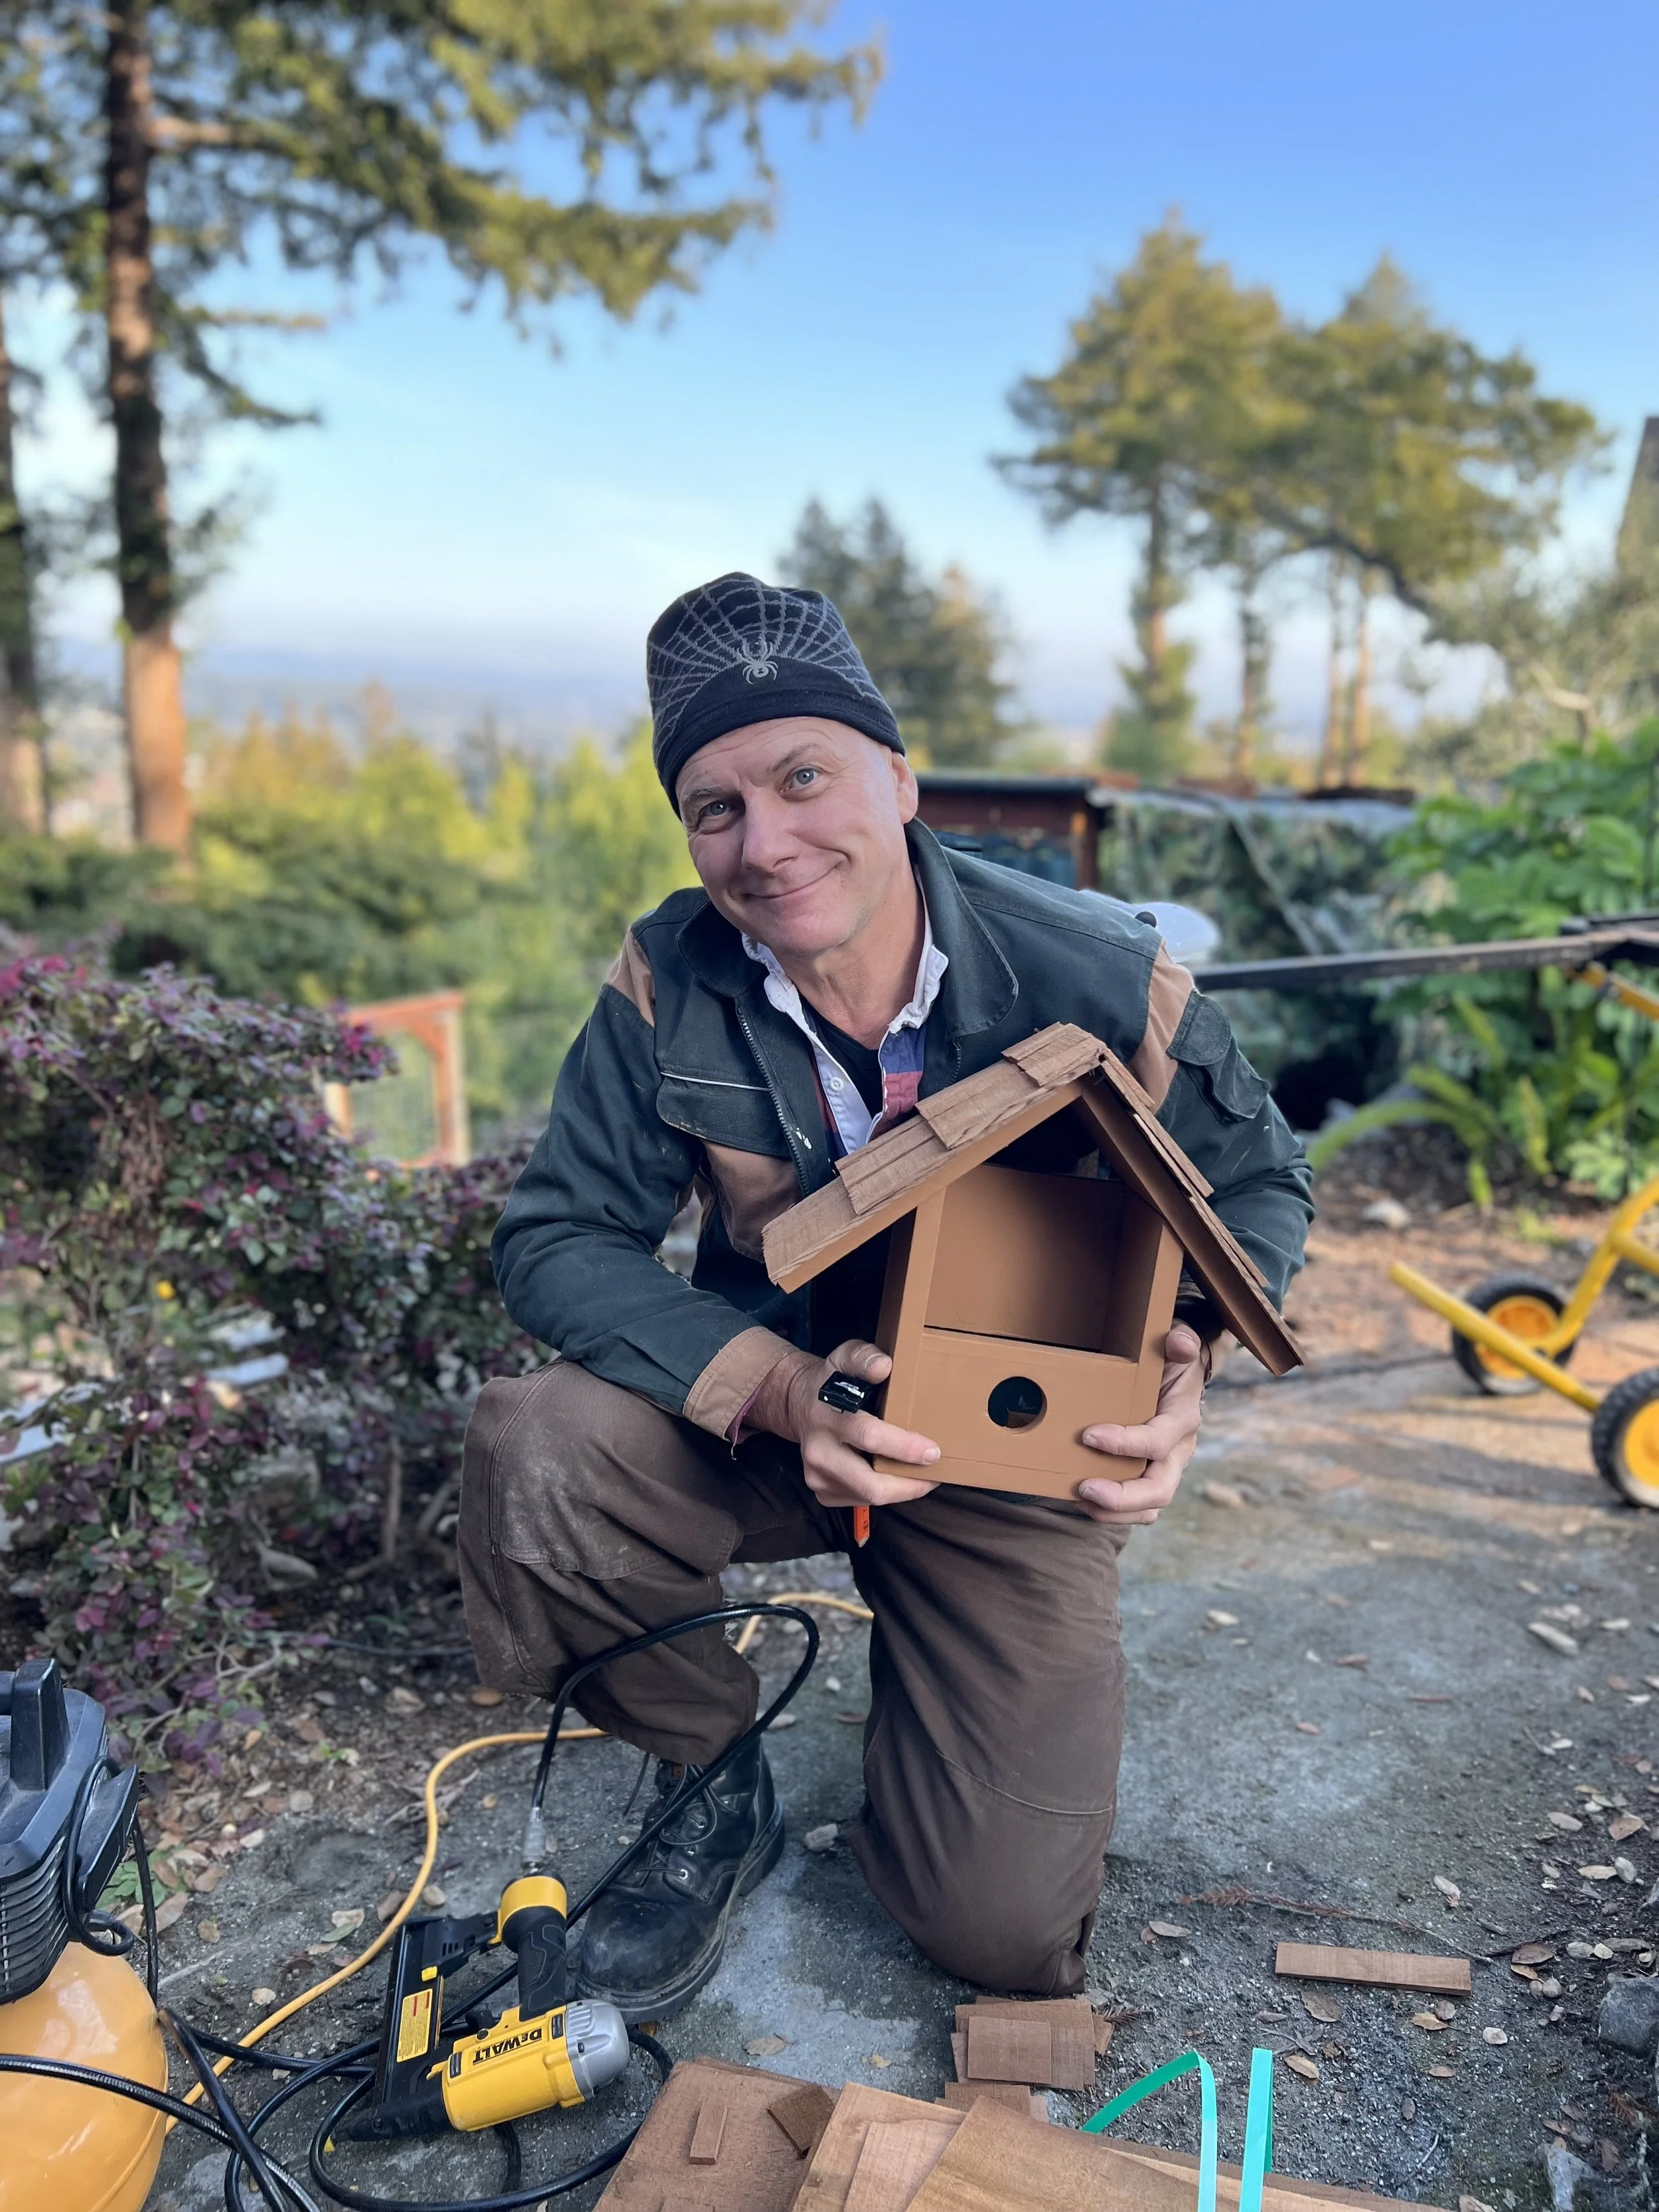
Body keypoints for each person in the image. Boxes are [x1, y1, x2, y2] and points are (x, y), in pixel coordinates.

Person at [459, 573, 1311, 2019]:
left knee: (992, 1930)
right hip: (775, 1412)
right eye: (714, 808)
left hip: (1007, 1444)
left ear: (899, 781)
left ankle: (944, 1728)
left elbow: (1261, 1189)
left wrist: (1188, 1358)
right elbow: (555, 1239)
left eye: (803, 778)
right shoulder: (668, 977)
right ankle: (708, 1776)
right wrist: (778, 1387)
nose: (765, 842)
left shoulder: (1100, 972)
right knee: (536, 1449)